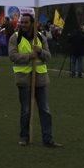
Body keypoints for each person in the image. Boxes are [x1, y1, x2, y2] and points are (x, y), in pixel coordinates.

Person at [8, 13, 60, 148]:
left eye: (26, 22)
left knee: (45, 110)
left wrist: (40, 52)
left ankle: (48, 138)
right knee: (26, 110)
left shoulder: (41, 37)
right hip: (24, 79)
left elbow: (48, 56)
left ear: (32, 23)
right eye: (22, 22)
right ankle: (24, 137)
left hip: (40, 78)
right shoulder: (15, 38)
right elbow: (12, 56)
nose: (23, 24)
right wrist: (29, 56)